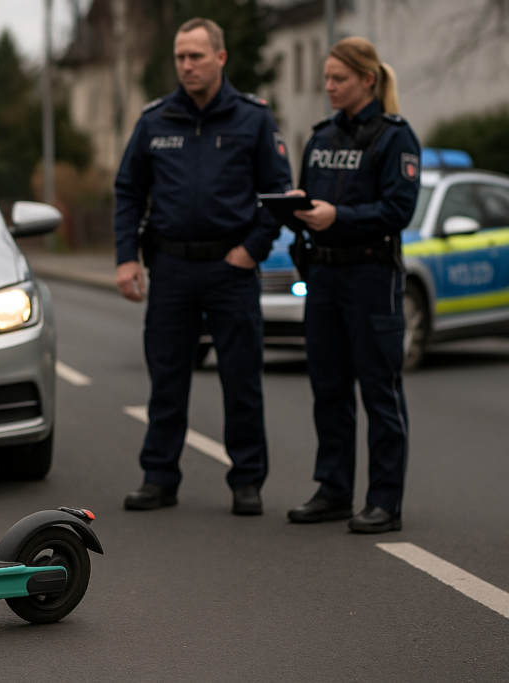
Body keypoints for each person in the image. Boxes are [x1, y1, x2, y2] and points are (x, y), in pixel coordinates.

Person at [114, 17, 292, 515]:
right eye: (179, 57)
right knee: (167, 378)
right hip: (170, 267)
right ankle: (159, 477)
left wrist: (252, 249)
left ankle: (247, 480)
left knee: (241, 379)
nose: (186, 65)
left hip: (230, 269)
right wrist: (127, 256)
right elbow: (128, 190)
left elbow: (279, 192)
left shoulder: (253, 118)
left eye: (195, 55)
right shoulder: (155, 120)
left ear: (220, 57)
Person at [286, 37, 420, 533]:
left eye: (339, 79)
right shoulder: (321, 137)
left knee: (380, 389)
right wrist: (295, 209)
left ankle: (385, 501)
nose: (329, 87)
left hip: (371, 275)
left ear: (368, 79)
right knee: (328, 388)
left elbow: (398, 210)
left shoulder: (394, 137)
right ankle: (334, 491)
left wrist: (338, 215)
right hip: (323, 276)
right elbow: (308, 200)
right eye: (326, 79)